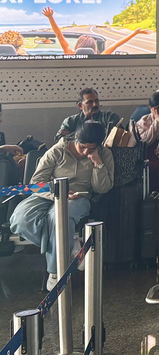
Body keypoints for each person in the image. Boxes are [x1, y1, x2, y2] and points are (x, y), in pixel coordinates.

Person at [10, 121, 113, 290]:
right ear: (76, 138)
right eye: (83, 147)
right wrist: (56, 194)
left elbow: (102, 187)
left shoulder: (104, 154)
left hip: (78, 198)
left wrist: (97, 163)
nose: (86, 152)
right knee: (19, 219)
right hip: (50, 194)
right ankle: (70, 244)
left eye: (91, 148)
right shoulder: (57, 151)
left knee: (57, 218)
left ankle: (56, 271)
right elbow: (36, 183)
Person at [41, 6, 150, 55]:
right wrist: (135, 33)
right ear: (94, 47)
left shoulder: (71, 55)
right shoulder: (100, 58)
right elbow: (117, 44)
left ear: (78, 45)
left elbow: (59, 36)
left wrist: (50, 17)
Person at [55, 88, 120, 143]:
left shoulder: (109, 117)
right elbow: (59, 139)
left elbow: (115, 136)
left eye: (96, 101)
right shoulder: (71, 121)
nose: (95, 104)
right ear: (80, 106)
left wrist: (75, 135)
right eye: (90, 102)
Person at [134, 90, 159, 190]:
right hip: (149, 155)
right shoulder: (144, 121)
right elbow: (145, 141)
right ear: (150, 109)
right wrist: (157, 122)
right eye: (157, 108)